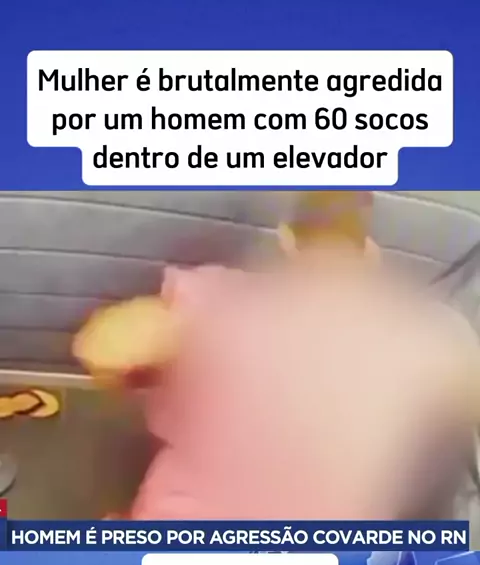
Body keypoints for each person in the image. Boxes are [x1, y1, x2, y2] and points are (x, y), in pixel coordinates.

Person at [73, 192, 480, 520]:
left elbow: (99, 349)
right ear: (370, 252)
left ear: (287, 240)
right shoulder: (434, 331)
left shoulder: (223, 300)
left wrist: (140, 372)